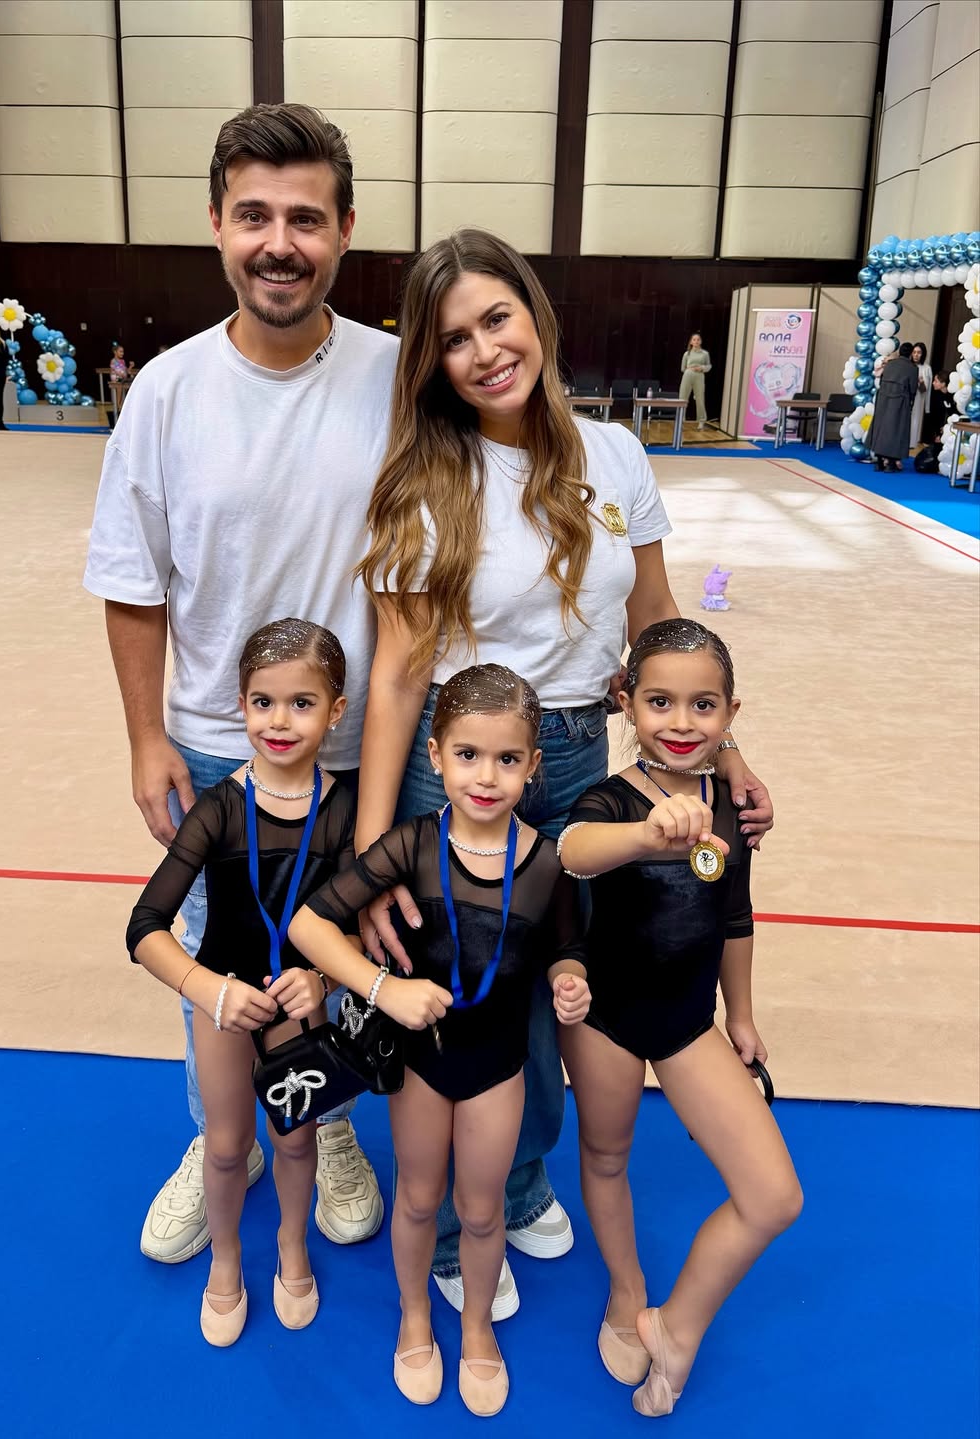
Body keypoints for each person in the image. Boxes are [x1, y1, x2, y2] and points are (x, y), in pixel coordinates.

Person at [353, 228, 774, 1318]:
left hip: (581, 752)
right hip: (463, 772)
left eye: (497, 318)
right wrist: (372, 846)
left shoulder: (615, 455)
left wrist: (725, 755)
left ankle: (521, 1173)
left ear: (535, 315)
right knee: (468, 1001)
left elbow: (655, 622)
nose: (485, 350)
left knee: (562, 991)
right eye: (455, 338)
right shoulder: (420, 480)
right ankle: (459, 1222)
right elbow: (397, 675)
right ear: (433, 362)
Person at [84, 102, 395, 1266]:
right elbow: (133, 583)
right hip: (218, 743)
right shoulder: (166, 392)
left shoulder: (396, 377)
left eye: (305, 218)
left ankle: (328, 1116)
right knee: (214, 955)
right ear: (216, 224)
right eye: (254, 215)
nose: (280, 242)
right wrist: (144, 735)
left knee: (341, 949)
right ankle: (222, 1131)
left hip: (360, 746)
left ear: (345, 230)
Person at [289, 665, 592, 1416]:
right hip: (424, 1066)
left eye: (507, 759)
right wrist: (381, 987)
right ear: (435, 755)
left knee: (482, 1211)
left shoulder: (547, 863)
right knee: (420, 1199)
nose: (486, 777)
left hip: (498, 1068)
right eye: (468, 755)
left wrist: (570, 978)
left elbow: (567, 946)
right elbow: (309, 924)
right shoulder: (412, 846)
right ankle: (415, 1316)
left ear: (534, 765)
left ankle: (477, 1325)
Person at [559, 619, 802, 1418]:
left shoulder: (731, 804)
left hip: (690, 1022)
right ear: (626, 701)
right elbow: (574, 850)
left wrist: (743, 1016)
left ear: (731, 714)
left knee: (774, 1196)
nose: (682, 721)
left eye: (704, 705)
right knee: (606, 1154)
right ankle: (627, 1288)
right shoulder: (612, 799)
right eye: (659, 701)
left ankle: (677, 1325)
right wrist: (643, 834)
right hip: (604, 1019)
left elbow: (736, 915)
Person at [127, 619, 354, 1345]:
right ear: (240, 704)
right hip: (225, 1001)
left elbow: (361, 926)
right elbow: (145, 927)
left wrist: (322, 977)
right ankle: (225, 1257)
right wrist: (208, 989)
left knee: (296, 1140)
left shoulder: (345, 810)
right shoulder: (220, 808)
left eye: (301, 704)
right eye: (263, 702)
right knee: (226, 1146)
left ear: (336, 711)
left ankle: (291, 1243)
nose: (279, 722)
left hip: (298, 1005)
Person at [868, 340, 918, 471]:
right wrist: (910, 404)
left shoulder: (889, 364)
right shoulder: (912, 368)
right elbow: (913, 389)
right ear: (910, 354)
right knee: (896, 430)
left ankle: (879, 461)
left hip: (883, 398)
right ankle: (890, 463)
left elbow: (882, 380)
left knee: (880, 428)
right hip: (900, 400)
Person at [678, 332, 711, 430]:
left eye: (698, 339)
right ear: (691, 342)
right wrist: (690, 369)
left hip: (699, 376)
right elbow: (682, 368)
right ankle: (681, 420)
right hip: (688, 375)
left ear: (700, 341)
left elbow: (709, 366)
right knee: (683, 398)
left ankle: (701, 421)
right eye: (694, 339)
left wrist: (701, 368)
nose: (696, 341)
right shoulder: (687, 354)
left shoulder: (705, 354)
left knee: (700, 399)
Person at [910, 342, 932, 448]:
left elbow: (925, 390)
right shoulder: (908, 365)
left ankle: (911, 444)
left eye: (919, 352)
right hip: (905, 398)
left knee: (914, 421)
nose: (916, 355)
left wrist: (921, 382)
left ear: (923, 354)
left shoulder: (926, 368)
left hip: (917, 399)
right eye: (914, 352)